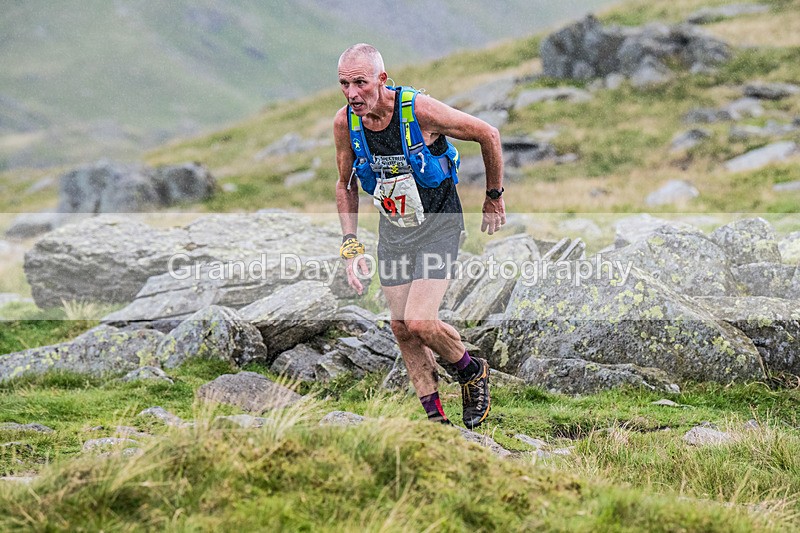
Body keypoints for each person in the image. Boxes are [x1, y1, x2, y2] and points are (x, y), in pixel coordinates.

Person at [333, 43, 505, 428]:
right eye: (344, 84)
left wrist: (493, 196)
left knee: (421, 322)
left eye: (360, 83)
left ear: (381, 79)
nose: (352, 93)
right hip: (395, 230)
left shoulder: (418, 111)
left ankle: (471, 370)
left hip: (439, 224)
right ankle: (435, 421)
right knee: (401, 327)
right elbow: (345, 183)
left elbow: (488, 134)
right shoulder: (346, 123)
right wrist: (350, 243)